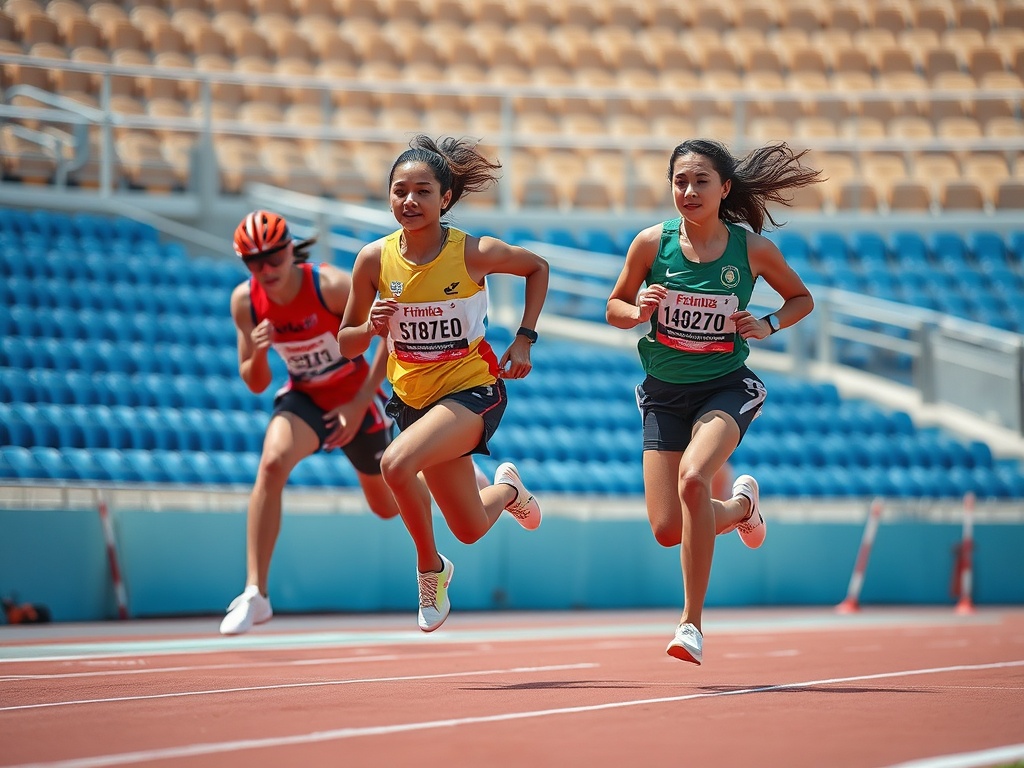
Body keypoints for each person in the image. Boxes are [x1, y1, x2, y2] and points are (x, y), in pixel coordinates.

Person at [606, 139, 821, 665]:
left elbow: (802, 298)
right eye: (680, 181)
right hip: (662, 393)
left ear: (725, 188)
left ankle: (690, 625)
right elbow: (613, 306)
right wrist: (636, 312)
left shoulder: (750, 250)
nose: (689, 190)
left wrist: (767, 323)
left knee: (693, 479)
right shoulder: (651, 244)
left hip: (726, 386)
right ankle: (742, 507)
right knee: (667, 529)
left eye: (701, 181)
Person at [338, 135, 549, 632]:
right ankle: (509, 492)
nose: (409, 201)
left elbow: (537, 268)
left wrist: (524, 340)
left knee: (395, 463)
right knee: (471, 527)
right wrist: (368, 326)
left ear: (445, 198)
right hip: (414, 401)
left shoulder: (473, 252)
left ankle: (429, 568)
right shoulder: (373, 260)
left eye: (422, 191)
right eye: (399, 191)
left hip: (473, 390)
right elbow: (347, 344)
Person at [220, 209, 402, 636]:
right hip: (304, 398)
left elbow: (391, 338)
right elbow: (255, 381)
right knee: (271, 464)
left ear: (289, 250)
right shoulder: (245, 302)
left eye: (273, 258)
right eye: (253, 262)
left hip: (356, 397)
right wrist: (260, 351)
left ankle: (438, 467)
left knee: (386, 508)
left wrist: (360, 403)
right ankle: (255, 594)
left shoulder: (331, 286)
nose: (265, 270)